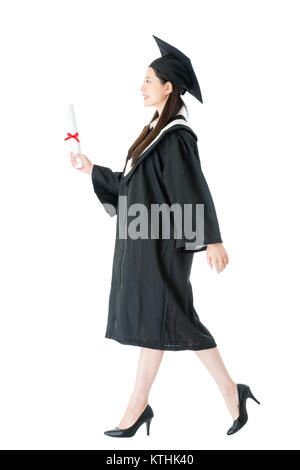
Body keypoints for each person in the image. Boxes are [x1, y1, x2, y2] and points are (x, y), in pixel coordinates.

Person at [70, 35, 260, 437]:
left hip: (162, 245)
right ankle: (152, 405)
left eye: (148, 81)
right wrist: (91, 170)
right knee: (158, 321)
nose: (141, 87)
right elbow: (132, 186)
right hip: (146, 241)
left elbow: (193, 188)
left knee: (172, 318)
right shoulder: (153, 133)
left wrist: (212, 239)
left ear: (168, 86)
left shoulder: (176, 136)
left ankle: (221, 393)